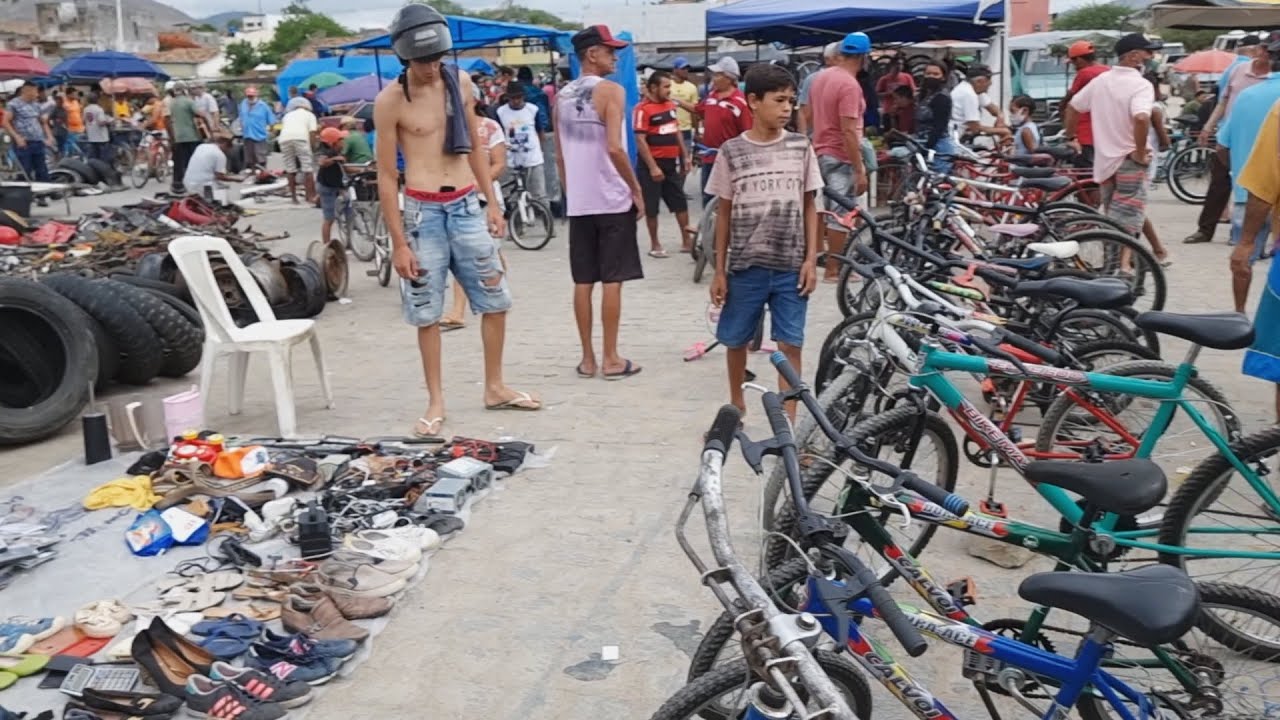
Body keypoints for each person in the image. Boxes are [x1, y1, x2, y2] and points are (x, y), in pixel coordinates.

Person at [375, 3, 537, 437]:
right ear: (404, 57)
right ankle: (436, 400)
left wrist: (493, 203)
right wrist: (399, 242)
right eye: (423, 59)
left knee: (495, 298)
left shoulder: (459, 82)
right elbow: (388, 177)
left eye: (437, 58)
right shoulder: (389, 102)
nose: (431, 67)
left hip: (466, 203)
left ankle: (495, 385)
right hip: (422, 211)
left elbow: (477, 150)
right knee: (426, 311)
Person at [706, 63, 822, 418]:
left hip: (790, 267)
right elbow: (723, 213)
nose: (787, 108)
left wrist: (811, 260)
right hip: (745, 266)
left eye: (790, 100)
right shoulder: (731, 152)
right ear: (753, 101)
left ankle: (789, 421)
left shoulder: (801, 148)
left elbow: (810, 206)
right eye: (779, 100)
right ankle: (736, 404)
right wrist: (720, 271)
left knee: (790, 343)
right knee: (736, 339)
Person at [554, 25, 645, 381]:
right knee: (612, 279)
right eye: (609, 51)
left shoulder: (560, 95)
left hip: (580, 201)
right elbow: (615, 147)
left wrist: (571, 191)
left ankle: (588, 358)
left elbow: (560, 156)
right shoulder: (611, 91)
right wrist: (634, 188)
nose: (615, 57)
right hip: (610, 196)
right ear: (592, 53)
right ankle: (610, 358)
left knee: (583, 280)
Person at [1063, 33, 1161, 257]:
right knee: (1129, 214)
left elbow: (1073, 107)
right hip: (1129, 159)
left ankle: (1114, 262)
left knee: (1113, 214)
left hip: (1105, 160)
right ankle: (1124, 267)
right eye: (1147, 52)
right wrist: (1138, 151)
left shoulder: (1101, 81)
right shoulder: (1140, 85)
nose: (1150, 57)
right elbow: (1141, 118)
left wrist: (1071, 136)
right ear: (1134, 56)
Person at [1188, 34, 1270, 244]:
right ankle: (1205, 230)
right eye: (1267, 50)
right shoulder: (1238, 70)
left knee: (1256, 188)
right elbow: (1222, 102)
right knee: (1219, 182)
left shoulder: (1274, 78)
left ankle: (1244, 233)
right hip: (1230, 135)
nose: (1269, 55)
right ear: (1259, 50)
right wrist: (1208, 127)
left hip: (1262, 139)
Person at [808, 32, 871, 282]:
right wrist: (859, 168)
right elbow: (847, 129)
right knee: (842, 214)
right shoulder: (849, 85)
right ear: (864, 57)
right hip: (840, 155)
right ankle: (834, 269)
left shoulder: (822, 77)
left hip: (821, 149)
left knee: (824, 210)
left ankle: (822, 259)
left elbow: (811, 113)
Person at [1223, 38, 1280, 311]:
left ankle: (1239, 313)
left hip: (1252, 193)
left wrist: (1246, 242)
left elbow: (1223, 146)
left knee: (1243, 259)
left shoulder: (1249, 96)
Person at [441, 101, 508, 331]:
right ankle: (459, 310)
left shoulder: (490, 127)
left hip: (483, 199)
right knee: (466, 253)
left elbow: (499, 163)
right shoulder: (446, 127)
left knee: (488, 251)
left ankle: (496, 295)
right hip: (456, 199)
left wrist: (481, 186)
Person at [634, 71, 692, 258]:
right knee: (652, 207)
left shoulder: (670, 106)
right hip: (651, 165)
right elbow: (640, 140)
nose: (669, 90)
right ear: (653, 88)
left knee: (680, 203)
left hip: (670, 164)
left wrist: (685, 156)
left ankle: (686, 241)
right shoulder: (642, 109)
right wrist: (653, 167)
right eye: (666, 86)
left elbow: (676, 132)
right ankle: (655, 244)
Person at [693, 56, 752, 206]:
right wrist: (677, 102)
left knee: (726, 200)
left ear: (728, 78)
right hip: (709, 157)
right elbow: (698, 110)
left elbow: (747, 133)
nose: (714, 78)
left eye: (718, 75)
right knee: (708, 199)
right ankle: (709, 229)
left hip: (728, 160)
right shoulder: (711, 96)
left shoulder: (740, 103)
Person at [1062, 40, 1109, 171]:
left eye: (1073, 62)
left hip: (1086, 132)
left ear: (1080, 60)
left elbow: (1070, 100)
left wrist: (1063, 113)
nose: (1073, 66)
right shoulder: (1107, 70)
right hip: (1104, 132)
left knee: (1085, 173)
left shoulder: (1085, 73)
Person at [496, 84, 546, 202]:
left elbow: (540, 132)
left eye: (519, 98)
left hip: (533, 158)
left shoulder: (532, 110)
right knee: (514, 194)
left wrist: (540, 149)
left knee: (539, 193)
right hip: (511, 159)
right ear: (508, 98)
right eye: (513, 98)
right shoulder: (501, 112)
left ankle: (543, 216)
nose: (516, 101)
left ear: (523, 97)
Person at [3, 81, 54, 182]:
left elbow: (43, 122)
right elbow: (5, 122)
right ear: (26, 91)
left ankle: (44, 192)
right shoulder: (14, 104)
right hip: (24, 142)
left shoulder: (36, 105)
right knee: (25, 169)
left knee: (42, 169)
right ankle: (23, 193)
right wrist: (16, 137)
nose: (37, 94)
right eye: (34, 92)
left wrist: (49, 137)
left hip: (38, 141)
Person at [951, 66, 1009, 145]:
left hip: (962, 135)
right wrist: (1002, 131)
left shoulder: (975, 90)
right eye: (989, 80)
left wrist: (1000, 117)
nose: (991, 83)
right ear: (979, 81)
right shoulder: (968, 94)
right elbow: (975, 128)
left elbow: (993, 109)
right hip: (954, 138)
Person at [278, 96, 318, 204]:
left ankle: (294, 198)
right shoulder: (310, 115)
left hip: (284, 139)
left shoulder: (287, 115)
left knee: (290, 168)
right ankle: (309, 197)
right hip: (301, 138)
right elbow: (312, 133)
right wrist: (313, 148)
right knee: (307, 168)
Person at [916, 61, 954, 170]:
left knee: (937, 182)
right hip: (924, 143)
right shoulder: (926, 94)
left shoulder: (941, 97)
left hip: (938, 147)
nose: (931, 77)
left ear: (943, 77)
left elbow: (939, 126)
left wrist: (927, 147)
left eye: (935, 74)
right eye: (928, 74)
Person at [166, 83, 202, 194]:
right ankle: (193, 184)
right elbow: (201, 114)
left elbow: (167, 120)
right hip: (191, 136)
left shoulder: (171, 103)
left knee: (178, 162)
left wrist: (172, 137)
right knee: (192, 162)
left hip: (177, 137)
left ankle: (177, 185)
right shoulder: (188, 101)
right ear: (184, 90)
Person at [797, 43, 840, 135]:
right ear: (828, 59)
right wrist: (804, 137)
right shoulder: (814, 79)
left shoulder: (813, 78)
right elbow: (805, 113)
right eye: (840, 57)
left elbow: (804, 111)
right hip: (819, 138)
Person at [315, 126, 348, 246]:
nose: (343, 142)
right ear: (332, 142)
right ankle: (326, 246)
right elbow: (322, 162)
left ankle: (349, 238)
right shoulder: (325, 152)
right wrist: (335, 159)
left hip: (336, 185)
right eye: (340, 140)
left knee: (348, 205)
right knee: (329, 219)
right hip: (326, 187)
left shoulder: (336, 151)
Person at [876, 54, 916, 133]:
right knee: (889, 131)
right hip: (888, 109)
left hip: (903, 110)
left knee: (903, 130)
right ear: (892, 65)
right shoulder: (884, 79)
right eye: (897, 64)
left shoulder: (907, 77)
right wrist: (889, 93)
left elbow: (912, 91)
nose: (899, 66)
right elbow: (877, 93)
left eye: (901, 64)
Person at [238, 86, 274, 170]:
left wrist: (271, 131)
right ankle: (253, 174)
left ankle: (263, 173)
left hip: (259, 135)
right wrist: (241, 126)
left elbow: (271, 121)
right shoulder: (243, 104)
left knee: (261, 157)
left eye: (251, 96)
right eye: (248, 96)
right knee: (250, 158)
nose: (250, 98)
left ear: (256, 95)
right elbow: (241, 117)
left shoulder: (263, 106)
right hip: (247, 134)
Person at [668, 57, 700, 147]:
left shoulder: (692, 87)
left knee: (685, 157)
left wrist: (696, 131)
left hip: (686, 129)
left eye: (687, 68)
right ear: (675, 70)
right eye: (683, 69)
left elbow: (695, 110)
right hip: (671, 129)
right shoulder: (667, 85)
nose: (686, 71)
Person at [81, 91, 113, 166]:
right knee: (103, 159)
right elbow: (101, 123)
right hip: (101, 137)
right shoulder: (99, 109)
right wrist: (109, 121)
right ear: (97, 100)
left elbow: (83, 121)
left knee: (93, 158)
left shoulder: (86, 109)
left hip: (91, 137)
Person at [62, 88, 85, 156]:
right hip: (71, 129)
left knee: (79, 146)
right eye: (74, 94)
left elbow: (80, 112)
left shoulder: (76, 102)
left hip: (80, 128)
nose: (76, 95)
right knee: (71, 146)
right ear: (68, 95)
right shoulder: (64, 104)